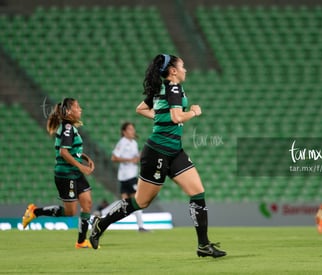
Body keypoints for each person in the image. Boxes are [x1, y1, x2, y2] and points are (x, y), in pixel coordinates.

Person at [89, 54, 226, 257]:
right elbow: (177, 116)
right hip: (157, 153)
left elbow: (141, 109)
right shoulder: (173, 87)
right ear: (173, 71)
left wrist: (159, 115)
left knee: (197, 192)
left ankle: (203, 245)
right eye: (183, 66)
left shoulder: (163, 88)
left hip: (174, 151)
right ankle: (102, 223)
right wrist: (195, 112)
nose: (185, 69)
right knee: (140, 202)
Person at [22, 98, 95, 248]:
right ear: (69, 112)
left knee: (87, 203)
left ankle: (81, 242)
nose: (80, 109)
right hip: (66, 174)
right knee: (70, 212)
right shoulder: (67, 128)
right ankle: (35, 211)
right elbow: (64, 153)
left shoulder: (70, 127)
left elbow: (71, 151)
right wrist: (82, 167)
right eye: (77, 107)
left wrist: (85, 158)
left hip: (74, 172)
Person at [111, 121, 148, 232]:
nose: (133, 131)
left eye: (133, 129)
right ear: (124, 132)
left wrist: (140, 156)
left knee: (125, 203)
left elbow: (135, 159)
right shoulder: (123, 142)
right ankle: (141, 226)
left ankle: (102, 214)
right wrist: (129, 160)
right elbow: (114, 158)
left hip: (130, 175)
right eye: (130, 129)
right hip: (126, 176)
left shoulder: (134, 143)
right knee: (137, 200)